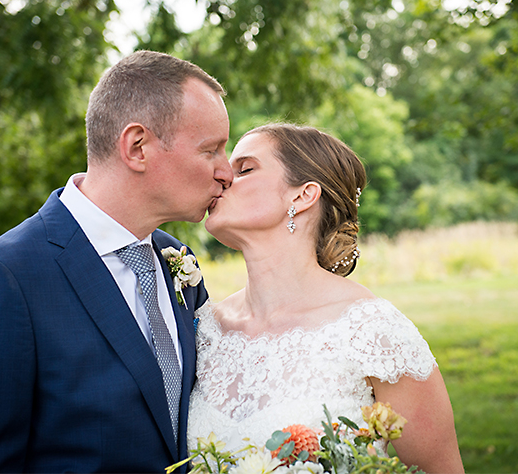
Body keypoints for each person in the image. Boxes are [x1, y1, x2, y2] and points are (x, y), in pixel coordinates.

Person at [0, 50, 233, 473]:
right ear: (137, 147)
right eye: (211, 150)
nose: (227, 172)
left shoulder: (176, 260)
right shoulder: (4, 281)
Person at [187, 123, 464, 473]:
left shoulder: (373, 333)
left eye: (245, 168)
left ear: (302, 196)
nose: (223, 176)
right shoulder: (204, 328)